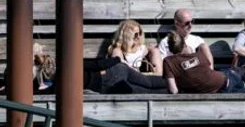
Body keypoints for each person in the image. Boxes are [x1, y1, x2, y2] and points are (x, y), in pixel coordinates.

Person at [30, 47, 167, 95]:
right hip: (113, 69)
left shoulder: (59, 84)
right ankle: (175, 83)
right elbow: (95, 64)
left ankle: (172, 89)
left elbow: (46, 92)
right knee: (148, 81)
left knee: (145, 92)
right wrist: (116, 61)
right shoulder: (69, 63)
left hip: (107, 85)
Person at [162, 31, 245, 94]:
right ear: (185, 44)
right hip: (222, 83)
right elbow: (207, 71)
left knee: (233, 75)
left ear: (170, 49)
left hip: (218, 86)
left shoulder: (168, 62)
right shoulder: (198, 55)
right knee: (233, 73)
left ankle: (244, 75)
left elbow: (173, 90)